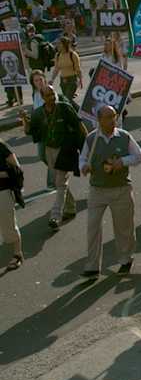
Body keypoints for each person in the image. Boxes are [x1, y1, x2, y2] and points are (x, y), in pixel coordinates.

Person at [79, 105, 141, 279]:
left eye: (114, 116)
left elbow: (139, 156)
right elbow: (83, 158)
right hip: (97, 190)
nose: (112, 120)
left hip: (120, 188)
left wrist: (122, 162)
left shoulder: (124, 136)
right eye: (108, 117)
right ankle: (92, 266)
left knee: (124, 227)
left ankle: (125, 259)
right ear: (99, 120)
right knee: (92, 227)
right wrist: (83, 166)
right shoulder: (91, 139)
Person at [21, 85, 83, 230]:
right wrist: (24, 120)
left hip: (65, 150)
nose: (52, 97)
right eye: (48, 95)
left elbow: (79, 126)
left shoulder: (65, 108)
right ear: (43, 97)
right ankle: (70, 207)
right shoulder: (38, 113)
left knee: (60, 183)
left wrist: (85, 147)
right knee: (59, 182)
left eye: (53, 94)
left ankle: (55, 216)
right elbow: (29, 131)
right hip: (50, 150)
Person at [0, 138, 24, 270]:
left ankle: (17, 254)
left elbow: (17, 169)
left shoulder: (1, 146)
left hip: (3, 191)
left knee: (8, 224)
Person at [50, 36, 82, 101]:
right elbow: (56, 69)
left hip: (72, 79)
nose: (57, 45)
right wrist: (52, 79)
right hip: (63, 80)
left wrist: (80, 80)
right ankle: (77, 110)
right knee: (67, 99)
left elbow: (78, 69)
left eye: (59, 43)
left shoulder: (73, 55)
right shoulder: (57, 55)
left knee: (67, 99)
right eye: (57, 44)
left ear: (65, 45)